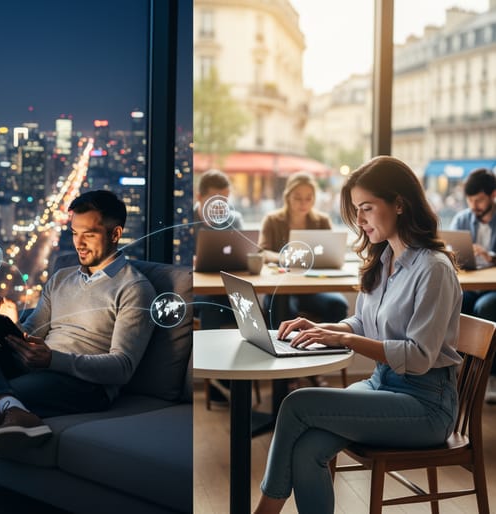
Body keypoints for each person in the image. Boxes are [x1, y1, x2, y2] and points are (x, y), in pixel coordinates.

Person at [252, 156, 462, 514]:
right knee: (307, 449)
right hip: (382, 385)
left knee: (296, 403)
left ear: (399, 204)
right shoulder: (383, 261)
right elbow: (363, 324)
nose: (359, 220)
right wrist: (324, 329)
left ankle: (265, 510)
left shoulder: (433, 269)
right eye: (356, 210)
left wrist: (345, 340)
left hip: (426, 405)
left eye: (366, 208)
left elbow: (419, 356)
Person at [0, 190, 156, 513]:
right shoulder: (61, 278)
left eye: (89, 234)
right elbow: (35, 332)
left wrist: (52, 359)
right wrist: (11, 326)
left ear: (116, 234)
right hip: (36, 363)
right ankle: (10, 404)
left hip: (83, 384)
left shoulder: (135, 289)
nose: (79, 243)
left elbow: (122, 367)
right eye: (75, 233)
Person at [258, 172, 349, 329]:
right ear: (288, 197)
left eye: (309, 198)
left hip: (312, 288)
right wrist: (285, 257)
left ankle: (324, 346)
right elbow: (262, 252)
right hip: (281, 288)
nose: (303, 203)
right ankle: (282, 349)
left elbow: (332, 252)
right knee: (282, 307)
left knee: (338, 305)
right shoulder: (272, 220)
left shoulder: (322, 221)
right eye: (298, 198)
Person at [192, 169, 244, 403]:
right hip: (196, 294)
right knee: (210, 307)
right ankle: (218, 375)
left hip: (226, 291)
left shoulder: (234, 220)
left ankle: (243, 376)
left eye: (225, 200)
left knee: (256, 311)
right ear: (199, 198)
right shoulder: (186, 223)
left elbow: (243, 255)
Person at [448, 167, 496, 402]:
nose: (474, 205)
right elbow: (450, 250)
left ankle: (489, 376)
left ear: (493, 195)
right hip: (470, 286)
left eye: (479, 200)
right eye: (470, 200)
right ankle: (456, 372)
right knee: (453, 305)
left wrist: (491, 256)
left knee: (485, 309)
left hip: (492, 289)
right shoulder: (462, 218)